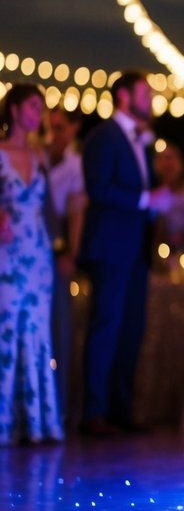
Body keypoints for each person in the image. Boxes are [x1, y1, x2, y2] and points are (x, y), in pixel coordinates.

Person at [78, 70, 172, 436]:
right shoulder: (103, 136)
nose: (150, 99)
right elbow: (98, 188)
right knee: (106, 326)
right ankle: (94, 413)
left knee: (132, 329)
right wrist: (147, 199)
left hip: (137, 249)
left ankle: (121, 409)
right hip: (110, 247)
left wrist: (157, 203)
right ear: (124, 97)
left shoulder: (142, 141)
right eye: (145, 93)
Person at [0, 84, 64, 445]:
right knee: (6, 331)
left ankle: (41, 422)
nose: (38, 113)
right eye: (33, 106)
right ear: (14, 110)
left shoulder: (41, 155)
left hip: (38, 252)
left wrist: (60, 248)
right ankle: (4, 423)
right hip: (7, 252)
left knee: (38, 334)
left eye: (41, 107)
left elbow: (50, 209)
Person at [45, 105, 86, 424]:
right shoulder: (34, 155)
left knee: (60, 325)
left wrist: (70, 253)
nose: (53, 134)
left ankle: (56, 407)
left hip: (56, 248)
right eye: (50, 127)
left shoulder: (76, 166)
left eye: (59, 127)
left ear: (73, 129)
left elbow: (76, 213)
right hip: (25, 243)